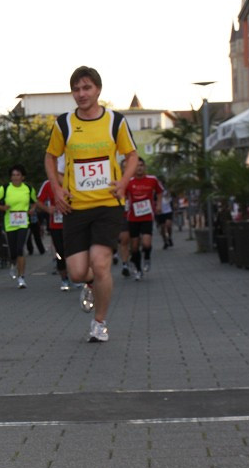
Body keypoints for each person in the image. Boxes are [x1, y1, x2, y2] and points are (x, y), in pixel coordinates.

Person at [44, 66, 138, 343]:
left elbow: (131, 155)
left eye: (87, 88)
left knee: (100, 264)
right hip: (75, 208)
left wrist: (124, 183)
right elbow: (50, 157)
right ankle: (88, 285)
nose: (81, 94)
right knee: (76, 272)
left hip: (108, 205)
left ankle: (100, 323)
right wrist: (57, 188)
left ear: (98, 90)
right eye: (76, 89)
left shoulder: (114, 122)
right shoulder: (65, 124)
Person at [0, 164, 36, 289]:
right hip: (10, 222)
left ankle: (21, 277)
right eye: (13, 175)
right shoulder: (5, 188)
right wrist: (2, 208)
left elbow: (36, 202)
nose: (15, 177)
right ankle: (13, 263)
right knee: (13, 250)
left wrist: (32, 209)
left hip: (23, 222)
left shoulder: (28, 189)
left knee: (20, 249)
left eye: (18, 175)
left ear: (23, 177)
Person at [126, 159, 164, 280]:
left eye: (141, 165)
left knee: (147, 243)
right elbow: (123, 196)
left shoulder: (152, 179)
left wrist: (158, 205)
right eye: (137, 166)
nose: (139, 168)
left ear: (145, 167)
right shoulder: (128, 182)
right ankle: (138, 269)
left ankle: (147, 257)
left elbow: (159, 192)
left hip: (147, 216)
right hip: (133, 217)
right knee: (135, 246)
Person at [37, 156, 70, 291]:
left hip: (72, 223)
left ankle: (77, 277)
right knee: (60, 252)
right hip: (56, 224)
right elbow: (38, 201)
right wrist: (47, 209)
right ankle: (64, 278)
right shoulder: (48, 184)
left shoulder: (72, 182)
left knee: (73, 252)